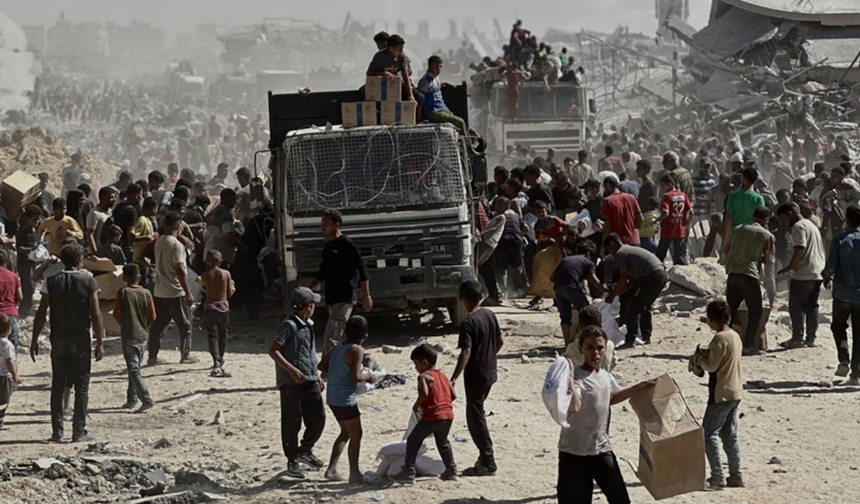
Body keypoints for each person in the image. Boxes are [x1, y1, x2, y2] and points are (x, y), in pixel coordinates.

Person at [558, 326, 655, 504]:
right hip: (574, 452)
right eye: (589, 347)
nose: (595, 352)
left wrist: (638, 387)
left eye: (600, 347)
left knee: (620, 498)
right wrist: (570, 378)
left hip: (601, 449)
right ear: (581, 349)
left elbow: (610, 397)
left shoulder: (604, 375)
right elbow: (574, 405)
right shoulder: (577, 378)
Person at [30, 243, 104, 443]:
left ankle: (57, 432)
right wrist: (99, 342)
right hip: (80, 338)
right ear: (80, 261)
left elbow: (41, 313)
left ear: (62, 261)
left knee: (57, 385)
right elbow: (95, 314)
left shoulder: (51, 281)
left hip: (58, 338)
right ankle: (78, 431)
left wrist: (34, 339)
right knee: (81, 385)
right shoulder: (88, 281)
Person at [269, 287, 327, 479]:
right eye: (313, 304)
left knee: (318, 417)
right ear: (308, 306)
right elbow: (274, 351)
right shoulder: (289, 326)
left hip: (309, 379)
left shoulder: (308, 325)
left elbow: (309, 351)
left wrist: (316, 374)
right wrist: (291, 370)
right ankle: (292, 459)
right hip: (291, 383)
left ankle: (305, 450)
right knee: (291, 422)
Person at [450, 280, 503, 476]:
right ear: (481, 297)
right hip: (490, 372)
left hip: (476, 375)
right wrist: (489, 356)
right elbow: (500, 341)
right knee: (477, 412)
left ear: (461, 299)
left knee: (475, 417)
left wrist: (454, 377)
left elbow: (465, 352)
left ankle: (487, 459)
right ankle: (484, 458)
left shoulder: (469, 322)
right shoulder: (489, 314)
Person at [691, 300, 744, 488]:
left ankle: (718, 476)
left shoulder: (719, 339)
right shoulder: (734, 335)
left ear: (712, 319)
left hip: (720, 393)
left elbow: (712, 366)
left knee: (708, 434)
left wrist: (698, 359)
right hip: (735, 392)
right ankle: (736, 475)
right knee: (729, 434)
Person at [318, 315, 376, 484]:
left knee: (345, 432)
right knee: (356, 434)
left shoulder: (337, 348)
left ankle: (331, 469)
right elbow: (356, 376)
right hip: (345, 399)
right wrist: (368, 375)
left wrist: (337, 370)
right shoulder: (357, 350)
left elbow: (321, 366)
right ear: (364, 337)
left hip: (332, 397)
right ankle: (355, 473)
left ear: (344, 332)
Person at [308, 210, 372, 357]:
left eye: (326, 223)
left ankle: (327, 369)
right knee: (344, 337)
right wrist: (308, 288)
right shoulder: (328, 246)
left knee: (331, 336)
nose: (322, 226)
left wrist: (366, 295)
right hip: (331, 297)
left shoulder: (346, 244)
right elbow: (322, 272)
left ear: (336, 225)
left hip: (345, 297)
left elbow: (362, 268)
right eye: (321, 223)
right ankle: (362, 362)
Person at [392, 343, 458, 483]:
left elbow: (424, 395)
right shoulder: (443, 376)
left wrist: (416, 406)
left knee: (413, 440)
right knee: (443, 441)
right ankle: (451, 470)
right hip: (448, 415)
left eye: (416, 364)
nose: (416, 368)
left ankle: (408, 471)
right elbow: (453, 395)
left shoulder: (424, 377)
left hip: (433, 416)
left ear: (424, 363)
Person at [147, 212, 197, 366]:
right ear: (177, 225)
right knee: (186, 325)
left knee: (158, 326)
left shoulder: (159, 241)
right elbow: (181, 270)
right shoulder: (176, 245)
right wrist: (188, 292)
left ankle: (152, 357)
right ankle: (185, 354)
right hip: (175, 292)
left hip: (160, 290)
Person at [724, 206, 774, 356]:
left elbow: (726, 249)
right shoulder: (767, 235)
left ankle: (726, 344)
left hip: (732, 273)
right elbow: (766, 259)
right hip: (749, 275)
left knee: (730, 311)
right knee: (755, 311)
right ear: (766, 219)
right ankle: (748, 345)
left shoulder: (738, 228)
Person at [776, 203, 825, 349]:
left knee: (795, 306)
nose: (785, 220)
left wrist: (790, 267)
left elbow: (800, 247)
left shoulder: (798, 227)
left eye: (784, 216)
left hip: (803, 273)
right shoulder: (812, 225)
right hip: (817, 272)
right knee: (812, 307)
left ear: (790, 213)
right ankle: (810, 339)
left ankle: (797, 338)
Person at [604, 234, 667, 349]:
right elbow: (632, 281)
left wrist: (612, 295)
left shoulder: (621, 253)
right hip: (660, 274)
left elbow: (623, 278)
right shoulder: (629, 250)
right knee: (645, 305)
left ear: (612, 244)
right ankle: (646, 336)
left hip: (651, 276)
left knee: (633, 308)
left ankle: (630, 339)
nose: (611, 253)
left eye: (609, 249)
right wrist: (618, 293)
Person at [822, 205, 860, 383]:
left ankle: (843, 359)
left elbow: (831, 265)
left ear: (848, 219)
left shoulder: (839, 240)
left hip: (842, 293)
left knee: (838, 326)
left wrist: (826, 277)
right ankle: (855, 373)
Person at [113, 263, 155, 413]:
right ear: (139, 277)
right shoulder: (147, 293)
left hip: (129, 334)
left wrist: (124, 323)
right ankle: (132, 399)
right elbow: (152, 315)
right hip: (143, 335)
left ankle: (146, 398)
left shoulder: (123, 292)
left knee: (133, 369)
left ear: (124, 277)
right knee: (135, 367)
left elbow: (117, 313)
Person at [552, 240, 603, 345]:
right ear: (588, 253)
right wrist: (605, 290)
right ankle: (582, 338)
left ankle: (567, 343)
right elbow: (595, 280)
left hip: (559, 289)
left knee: (565, 317)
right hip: (572, 288)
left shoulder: (565, 259)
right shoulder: (588, 262)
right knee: (587, 313)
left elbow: (552, 277)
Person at [366, 34, 423, 120]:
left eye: (402, 49)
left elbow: (405, 74)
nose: (401, 51)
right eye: (399, 49)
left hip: (397, 84)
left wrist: (410, 95)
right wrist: (384, 73)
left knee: (419, 97)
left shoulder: (401, 56)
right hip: (384, 87)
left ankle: (417, 121)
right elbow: (369, 73)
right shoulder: (380, 56)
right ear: (391, 48)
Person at [198, 250, 234, 377]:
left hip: (209, 307)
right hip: (223, 306)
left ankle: (216, 360)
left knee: (212, 335)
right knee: (223, 334)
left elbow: (205, 291)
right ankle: (221, 357)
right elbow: (229, 292)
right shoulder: (226, 274)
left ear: (207, 261)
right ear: (220, 261)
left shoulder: (204, 275)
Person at [417, 56, 469, 139]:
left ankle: (466, 142)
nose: (438, 70)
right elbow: (419, 99)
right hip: (434, 112)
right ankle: (469, 148)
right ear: (429, 66)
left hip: (443, 108)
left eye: (440, 67)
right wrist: (419, 118)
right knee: (460, 122)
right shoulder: (424, 82)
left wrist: (444, 83)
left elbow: (434, 87)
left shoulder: (435, 77)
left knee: (459, 123)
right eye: (435, 67)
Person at [723, 168, 766, 253]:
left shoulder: (733, 196)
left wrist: (726, 238)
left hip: (735, 234)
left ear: (744, 179)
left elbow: (728, 217)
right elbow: (761, 220)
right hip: (752, 235)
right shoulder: (759, 198)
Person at [563, 306, 616, 371]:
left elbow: (566, 367)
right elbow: (613, 362)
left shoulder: (573, 347)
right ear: (601, 326)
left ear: (580, 328)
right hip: (603, 379)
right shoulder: (609, 344)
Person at [656, 174, 693, 265]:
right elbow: (691, 212)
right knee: (679, 255)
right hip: (680, 229)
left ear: (670, 184)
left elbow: (666, 213)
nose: (662, 188)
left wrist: (657, 220)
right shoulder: (683, 195)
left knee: (660, 255)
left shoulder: (667, 196)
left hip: (668, 230)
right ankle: (683, 274)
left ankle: (656, 272)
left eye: (663, 186)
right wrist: (687, 225)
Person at [16, 205, 42, 317]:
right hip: (24, 263)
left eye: (38, 219)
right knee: (28, 286)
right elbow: (19, 248)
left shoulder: (34, 230)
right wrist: (30, 250)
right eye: (34, 219)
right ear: (27, 219)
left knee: (32, 285)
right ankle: (24, 309)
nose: (37, 222)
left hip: (32, 262)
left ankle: (27, 308)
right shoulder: (23, 232)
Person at [601, 177, 642, 247]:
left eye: (604, 188)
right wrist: (636, 233)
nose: (604, 190)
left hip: (619, 243)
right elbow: (641, 218)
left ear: (608, 185)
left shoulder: (607, 201)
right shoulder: (632, 198)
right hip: (635, 241)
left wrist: (603, 246)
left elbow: (607, 226)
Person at [0, 315, 21, 430]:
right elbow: (9, 361)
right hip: (3, 377)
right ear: (9, 329)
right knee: (4, 400)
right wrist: (15, 375)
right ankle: (0, 421)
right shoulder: (7, 345)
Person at [132, 197, 158, 283]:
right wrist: (148, 237)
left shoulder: (148, 220)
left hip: (145, 260)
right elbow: (133, 237)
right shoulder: (142, 220)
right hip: (139, 259)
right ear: (154, 208)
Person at [86, 187, 116, 253]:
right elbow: (90, 235)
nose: (114, 200)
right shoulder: (94, 214)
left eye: (114, 197)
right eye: (111, 198)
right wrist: (96, 253)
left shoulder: (111, 212)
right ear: (103, 199)